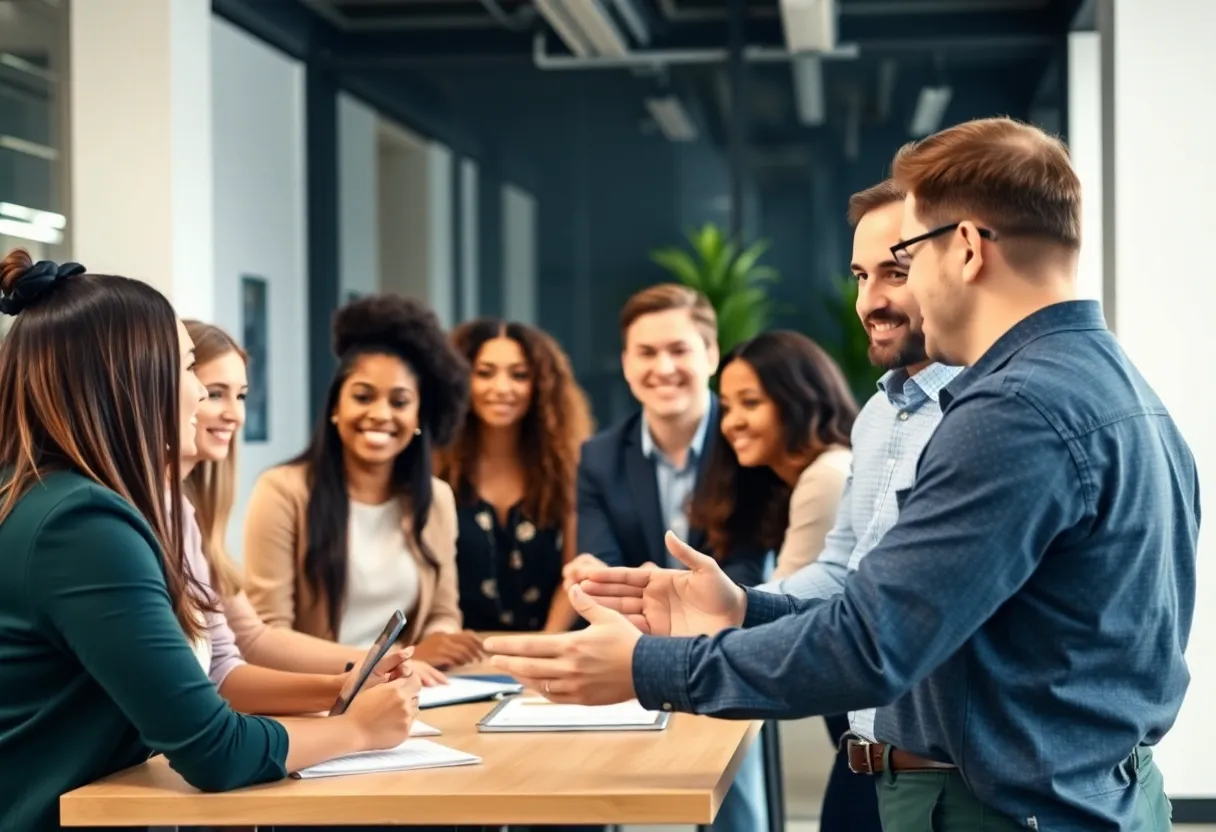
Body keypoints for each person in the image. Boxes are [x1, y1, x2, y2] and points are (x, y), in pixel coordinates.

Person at [484, 117, 1196, 831]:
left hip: (1000, 811)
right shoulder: (1121, 391)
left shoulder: (1012, 410)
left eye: (909, 257)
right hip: (1086, 795)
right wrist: (745, 611)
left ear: (970, 249)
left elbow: (871, 646)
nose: (894, 291)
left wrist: (649, 668)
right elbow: (906, 605)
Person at [0, 250, 420, 832]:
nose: (202, 398)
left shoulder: (63, 504)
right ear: (131, 384)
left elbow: (203, 691)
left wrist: (339, 690)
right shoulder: (83, 527)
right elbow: (215, 751)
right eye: (190, 370)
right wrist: (359, 729)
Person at [757, 180, 962, 832]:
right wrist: (734, 605)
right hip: (864, 757)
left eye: (895, 273)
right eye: (859, 275)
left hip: (948, 780)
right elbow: (843, 571)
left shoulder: (988, 415)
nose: (870, 300)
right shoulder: (879, 414)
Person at [565, 283, 770, 832]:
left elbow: (749, 571)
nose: (663, 367)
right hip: (635, 649)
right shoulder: (601, 457)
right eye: (646, 353)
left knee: (734, 804)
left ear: (710, 354)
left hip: (735, 647)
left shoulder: (749, 437)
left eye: (678, 349)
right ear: (627, 364)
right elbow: (605, 577)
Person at [181, 320, 447, 702]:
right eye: (214, 393)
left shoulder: (192, 511)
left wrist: (378, 670)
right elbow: (252, 645)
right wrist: (365, 672)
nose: (236, 415)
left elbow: (230, 657)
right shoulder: (281, 490)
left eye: (240, 396)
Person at [244, 295, 484, 670]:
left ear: (418, 415)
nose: (380, 414)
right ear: (336, 407)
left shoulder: (436, 498)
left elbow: (442, 612)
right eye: (363, 396)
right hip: (314, 698)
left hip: (409, 689)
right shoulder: (282, 491)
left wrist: (441, 640)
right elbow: (266, 635)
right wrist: (387, 660)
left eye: (400, 401)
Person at [435, 318, 594, 633]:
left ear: (541, 386)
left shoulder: (569, 468)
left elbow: (576, 570)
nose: (502, 388)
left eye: (519, 375)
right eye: (484, 373)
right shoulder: (433, 469)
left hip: (549, 651)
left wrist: (548, 645)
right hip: (457, 657)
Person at [689, 330, 855, 580]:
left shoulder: (825, 477)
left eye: (750, 402)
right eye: (725, 408)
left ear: (797, 400)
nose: (731, 422)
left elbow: (784, 607)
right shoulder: (782, 484)